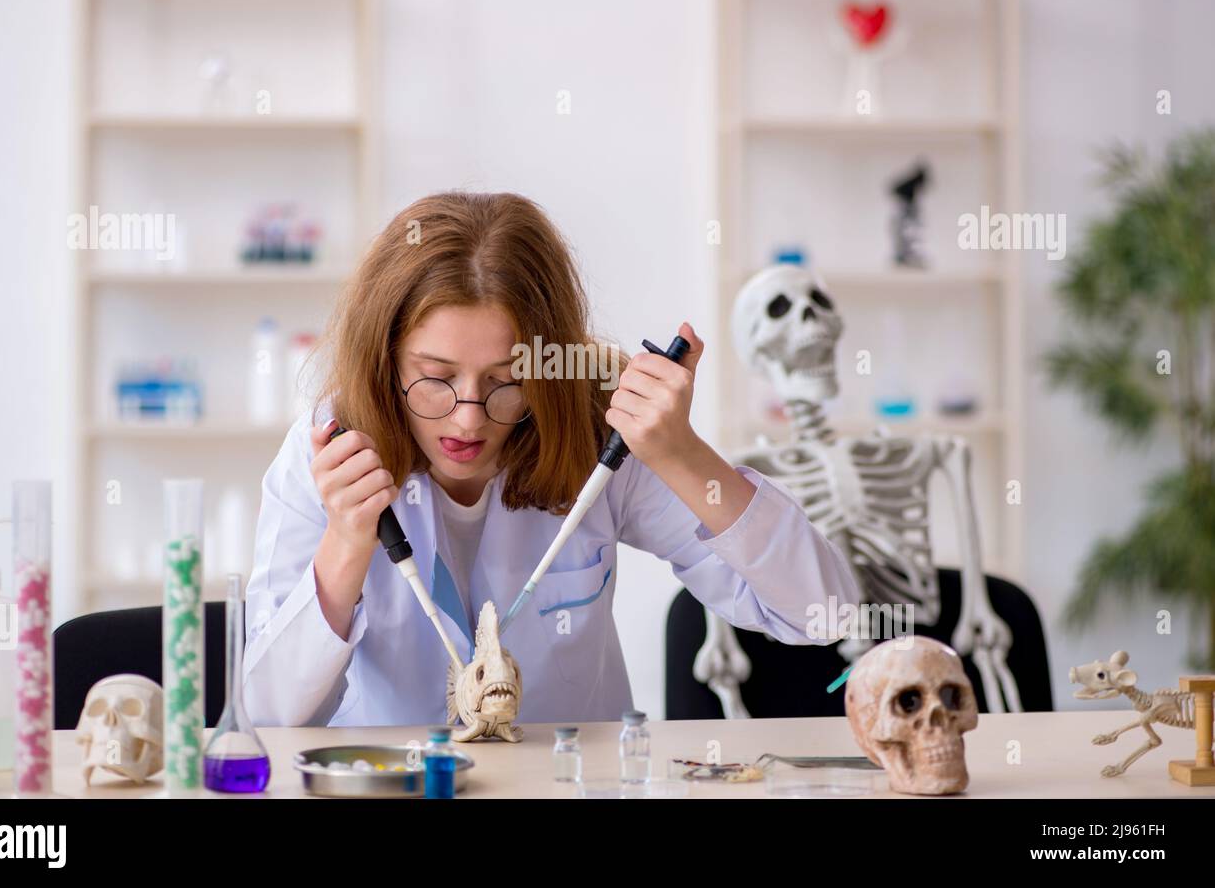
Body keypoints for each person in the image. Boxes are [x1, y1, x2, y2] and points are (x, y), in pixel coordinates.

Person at [242, 191, 859, 727]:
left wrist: (684, 454)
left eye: (507, 379)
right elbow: (269, 715)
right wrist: (348, 543)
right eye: (434, 377)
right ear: (384, 362)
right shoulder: (328, 448)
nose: (469, 417)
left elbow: (821, 615)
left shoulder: (603, 438)